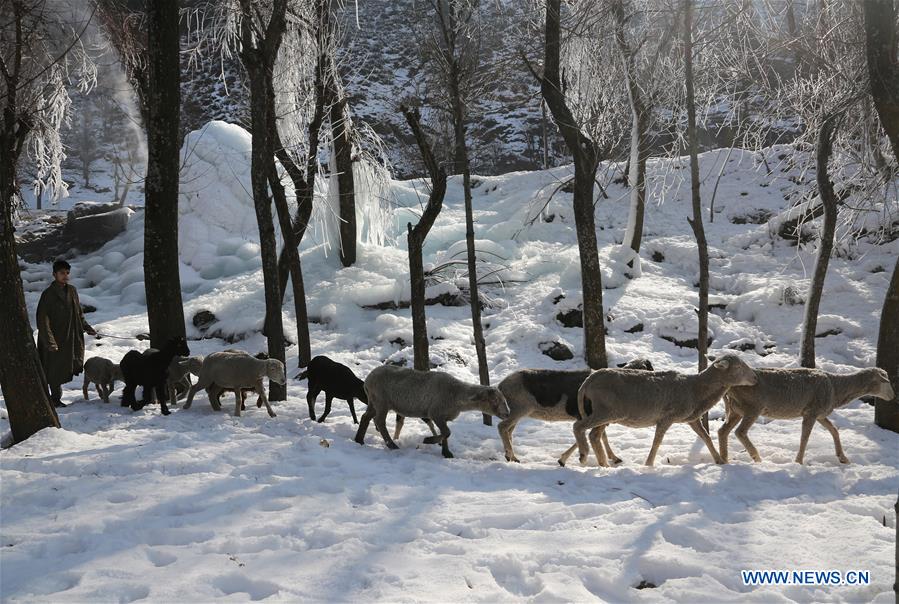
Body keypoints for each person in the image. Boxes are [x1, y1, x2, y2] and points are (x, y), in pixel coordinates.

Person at [36, 259, 96, 407]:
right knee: (53, 370)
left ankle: (56, 398)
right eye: (62, 273)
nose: (65, 276)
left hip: (70, 337)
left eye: (67, 273)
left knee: (64, 368)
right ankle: (55, 399)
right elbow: (42, 319)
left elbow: (78, 314)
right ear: (54, 274)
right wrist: (49, 341)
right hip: (54, 338)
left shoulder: (72, 290)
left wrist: (87, 327)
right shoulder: (48, 294)